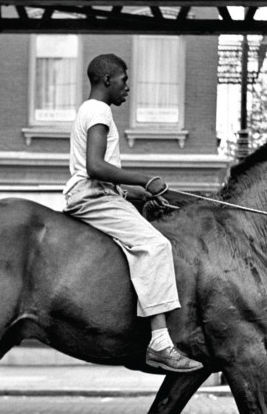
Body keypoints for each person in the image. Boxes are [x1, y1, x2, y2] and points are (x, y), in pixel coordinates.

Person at [63, 53, 203, 373]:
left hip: (96, 193)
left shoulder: (89, 110)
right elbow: (95, 167)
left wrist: (135, 193)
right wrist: (145, 179)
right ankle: (160, 343)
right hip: (93, 197)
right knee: (156, 246)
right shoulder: (99, 111)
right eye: (125, 80)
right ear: (108, 80)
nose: (128, 88)